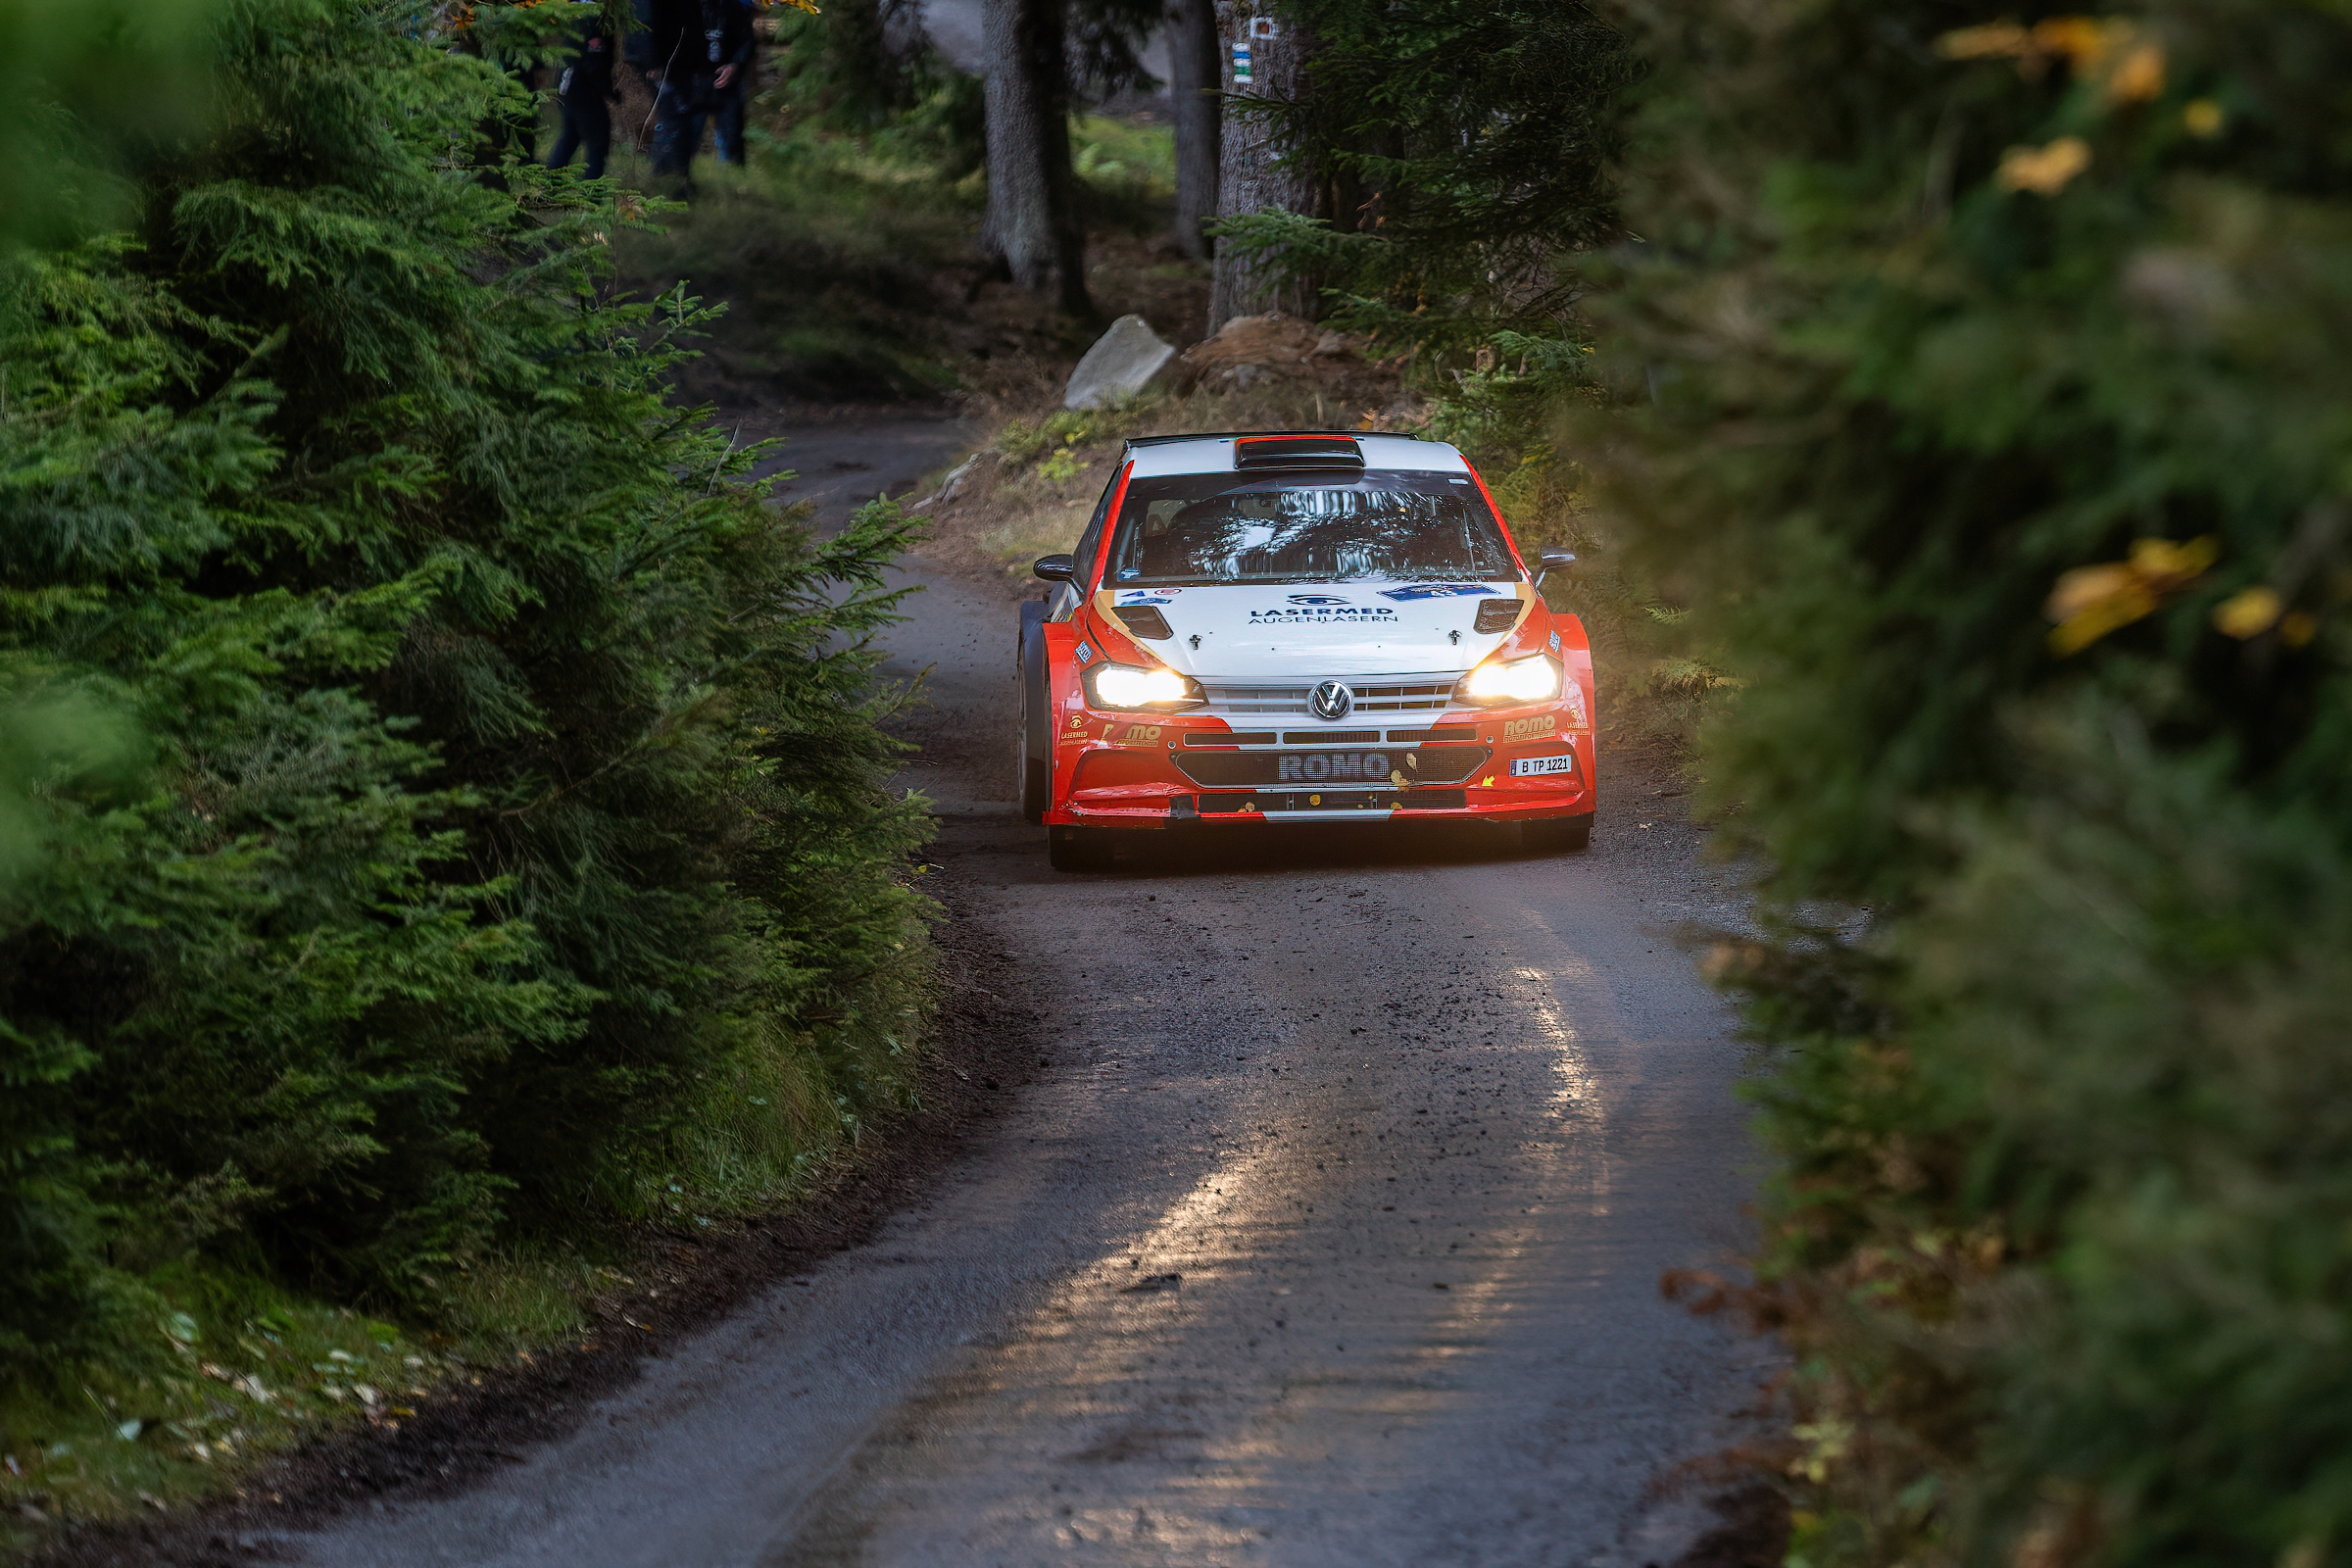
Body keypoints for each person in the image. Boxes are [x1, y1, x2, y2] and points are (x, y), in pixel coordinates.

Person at [645, 0, 755, 184]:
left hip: (727, 81)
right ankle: (672, 180)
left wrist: (735, 65)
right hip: (692, 81)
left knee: (731, 136)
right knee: (683, 134)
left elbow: (746, 39)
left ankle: (733, 185)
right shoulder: (682, 8)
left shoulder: (733, 6)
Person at [546, 1, 618, 180]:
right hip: (583, 88)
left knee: (571, 136)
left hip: (568, 83)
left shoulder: (577, 14)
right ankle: (592, 188)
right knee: (597, 141)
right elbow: (594, 62)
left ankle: (551, 180)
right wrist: (608, 90)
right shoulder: (594, 20)